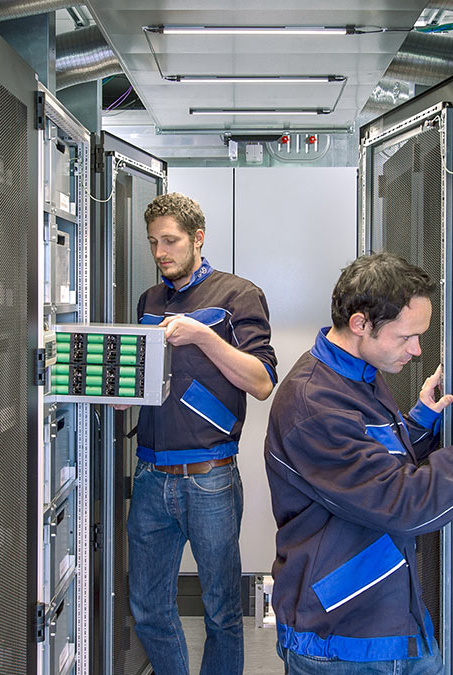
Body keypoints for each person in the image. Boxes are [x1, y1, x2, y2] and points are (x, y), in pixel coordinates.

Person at [264, 252, 453, 674]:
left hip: (390, 613)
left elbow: (369, 469)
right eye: (406, 337)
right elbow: (404, 505)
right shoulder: (314, 404)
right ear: (360, 324)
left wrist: (420, 424)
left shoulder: (355, 376)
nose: (417, 349)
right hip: (345, 637)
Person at [126, 192, 277, 675]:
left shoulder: (238, 295)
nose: (160, 252)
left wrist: (203, 336)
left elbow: (261, 382)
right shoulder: (149, 300)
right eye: (153, 242)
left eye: (170, 241)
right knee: (148, 608)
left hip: (209, 478)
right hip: (150, 476)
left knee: (222, 614)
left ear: (198, 238)